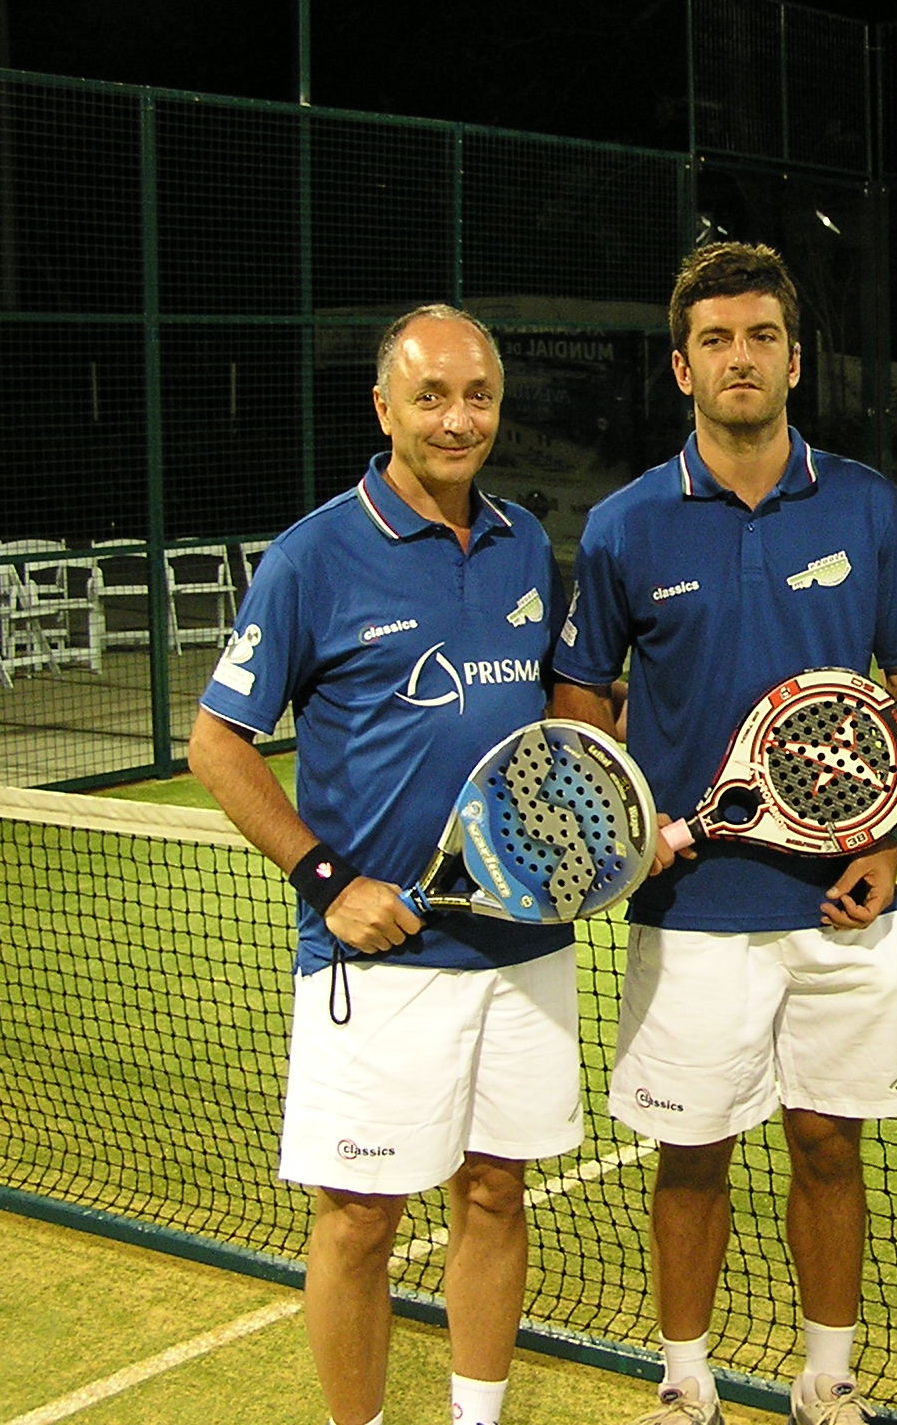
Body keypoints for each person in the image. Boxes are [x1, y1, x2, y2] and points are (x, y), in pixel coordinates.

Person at [550, 242, 897, 1425]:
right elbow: (578, 700)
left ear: (793, 359)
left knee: (829, 1145)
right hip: (691, 913)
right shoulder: (624, 527)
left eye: (761, 337)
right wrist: (626, 829)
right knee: (692, 1156)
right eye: (716, 340)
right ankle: (685, 1383)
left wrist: (887, 840)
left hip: (839, 906)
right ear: (683, 368)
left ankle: (825, 1381)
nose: (741, 358)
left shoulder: (865, 506)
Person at [189, 305, 575, 1425]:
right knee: (360, 1218)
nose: (457, 420)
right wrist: (328, 883)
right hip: (381, 957)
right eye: (431, 397)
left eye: (477, 397)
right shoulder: (314, 556)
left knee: (495, 1192)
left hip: (521, 945)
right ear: (384, 409)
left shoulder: (524, 545)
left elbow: (562, 725)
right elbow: (217, 742)